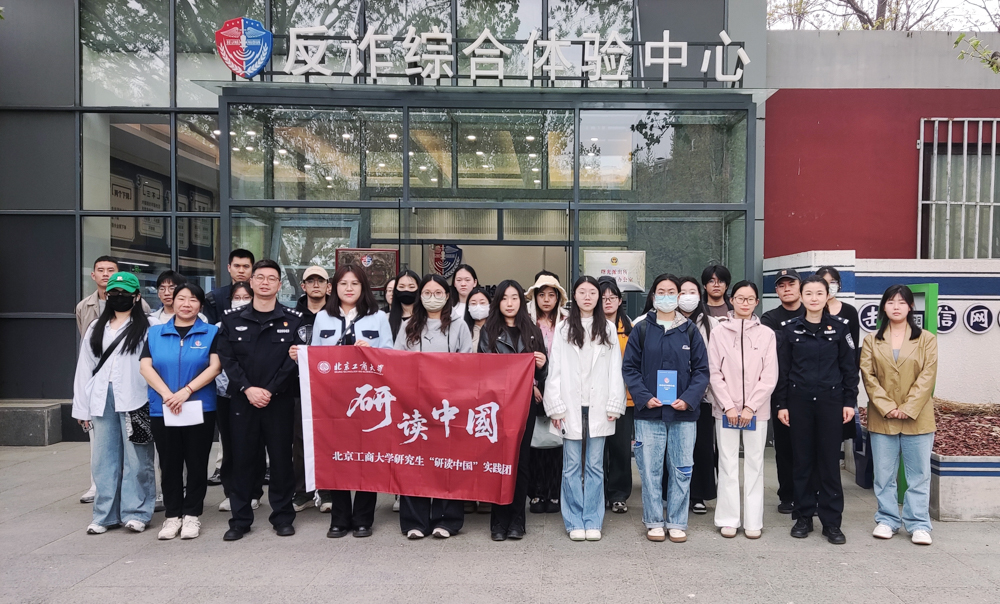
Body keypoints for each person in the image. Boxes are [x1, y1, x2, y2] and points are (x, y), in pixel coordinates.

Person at [217, 259, 306, 541]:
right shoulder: (232, 319)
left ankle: (282, 516)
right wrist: (248, 389)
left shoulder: (294, 319)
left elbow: (294, 360)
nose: (265, 283)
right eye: (260, 277)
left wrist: (269, 389)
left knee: (281, 460)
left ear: (279, 285)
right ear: (251, 282)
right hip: (243, 401)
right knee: (242, 460)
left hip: (279, 401)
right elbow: (227, 360)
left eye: (271, 278)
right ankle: (240, 519)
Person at [303, 264, 393, 539]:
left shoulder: (378, 317)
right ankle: (339, 518)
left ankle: (364, 518)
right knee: (337, 456)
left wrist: (372, 351)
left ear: (364, 287)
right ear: (334, 288)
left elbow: (391, 357)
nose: (349, 288)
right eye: (343, 283)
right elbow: (315, 358)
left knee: (368, 456)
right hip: (333, 399)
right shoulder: (323, 317)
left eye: (355, 283)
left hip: (368, 400)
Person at [623, 274, 710, 544]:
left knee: (682, 468)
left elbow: (702, 371)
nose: (666, 296)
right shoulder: (641, 329)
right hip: (649, 412)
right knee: (650, 471)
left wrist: (689, 399)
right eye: (661, 291)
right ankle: (653, 521)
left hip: (683, 413)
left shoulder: (690, 330)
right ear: (653, 295)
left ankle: (676, 521)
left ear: (679, 296)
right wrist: (644, 397)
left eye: (672, 292)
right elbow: (630, 368)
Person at [774, 276, 858, 545]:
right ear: (801, 296)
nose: (813, 298)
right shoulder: (790, 329)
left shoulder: (840, 328)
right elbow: (783, 371)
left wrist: (849, 401)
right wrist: (782, 404)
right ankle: (803, 516)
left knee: (829, 463)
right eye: (808, 293)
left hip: (830, 403)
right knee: (802, 461)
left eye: (819, 293)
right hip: (798, 403)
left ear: (827, 296)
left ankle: (831, 522)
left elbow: (849, 369)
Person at [544, 276, 626, 542]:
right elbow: (555, 369)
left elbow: (615, 369)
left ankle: (592, 519)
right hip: (571, 405)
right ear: (574, 296)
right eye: (582, 292)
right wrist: (555, 406)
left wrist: (614, 403)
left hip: (599, 405)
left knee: (594, 465)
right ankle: (573, 520)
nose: (588, 297)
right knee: (570, 466)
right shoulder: (563, 328)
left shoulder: (608, 329)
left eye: (592, 292)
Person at [72, 272, 155, 534]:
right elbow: (85, 368)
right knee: (103, 459)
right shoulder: (96, 327)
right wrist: (81, 407)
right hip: (101, 397)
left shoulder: (149, 326)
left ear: (137, 296)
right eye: (114, 293)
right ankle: (104, 515)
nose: (119, 297)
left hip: (136, 397)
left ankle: (137, 512)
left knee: (137, 458)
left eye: (125, 293)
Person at [140, 283, 222, 541]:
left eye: (193, 300)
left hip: (199, 406)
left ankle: (192, 514)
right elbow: (145, 367)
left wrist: (186, 391)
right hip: (163, 408)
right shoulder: (155, 333)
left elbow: (215, 367)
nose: (187, 304)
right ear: (172, 302)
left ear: (201, 305)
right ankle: (172, 515)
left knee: (197, 462)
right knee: (169, 462)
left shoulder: (211, 332)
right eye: (182, 299)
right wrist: (168, 395)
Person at [394, 274, 474, 538]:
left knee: (447, 461)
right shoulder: (408, 326)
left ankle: (446, 519)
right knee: (414, 461)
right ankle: (414, 521)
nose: (432, 298)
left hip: (448, 406)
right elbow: (397, 362)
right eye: (427, 293)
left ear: (447, 296)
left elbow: (467, 363)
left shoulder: (460, 326)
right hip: (414, 405)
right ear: (420, 296)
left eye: (438, 293)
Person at [860, 285, 938, 546]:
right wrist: (887, 407)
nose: (896, 307)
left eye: (902, 302)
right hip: (883, 417)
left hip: (918, 417)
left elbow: (928, 376)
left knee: (919, 475)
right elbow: (868, 376)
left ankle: (919, 524)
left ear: (910, 307)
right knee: (883, 474)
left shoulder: (926, 339)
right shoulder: (872, 340)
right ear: (883, 306)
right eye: (891, 302)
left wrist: (907, 407)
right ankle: (887, 519)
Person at [477, 280, 548, 541]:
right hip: (497, 405)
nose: (510, 303)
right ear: (498, 302)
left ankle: (517, 521)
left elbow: (543, 372)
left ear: (521, 301)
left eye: (515, 298)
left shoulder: (533, 330)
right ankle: (498, 522)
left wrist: (542, 365)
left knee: (522, 460)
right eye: (505, 298)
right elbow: (482, 370)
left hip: (524, 403)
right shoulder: (489, 331)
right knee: (499, 461)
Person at [708, 281, 777, 539]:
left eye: (750, 299)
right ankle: (728, 518)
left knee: (755, 464)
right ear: (732, 300)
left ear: (757, 302)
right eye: (740, 298)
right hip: (725, 411)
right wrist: (728, 405)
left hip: (756, 412)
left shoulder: (766, 334)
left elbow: (769, 376)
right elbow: (713, 372)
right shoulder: (719, 332)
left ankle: (753, 520)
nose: (745, 303)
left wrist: (750, 406)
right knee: (727, 463)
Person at [214, 282, 265, 514]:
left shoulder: (259, 323)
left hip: (255, 392)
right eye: (237, 297)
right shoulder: (221, 325)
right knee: (230, 445)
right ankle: (231, 492)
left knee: (254, 446)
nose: (241, 301)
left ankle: (254, 492)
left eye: (246, 297)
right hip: (226, 394)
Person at [760, 267, 805, 515]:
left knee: (809, 448)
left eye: (791, 284)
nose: (786, 289)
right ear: (776, 290)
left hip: (811, 390)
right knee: (785, 448)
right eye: (781, 285)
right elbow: (773, 348)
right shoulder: (769, 318)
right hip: (782, 391)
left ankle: (808, 495)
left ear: (800, 286)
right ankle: (787, 495)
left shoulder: (813, 313)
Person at [524, 271, 569, 514]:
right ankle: (536, 493)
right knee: (534, 441)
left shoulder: (567, 322)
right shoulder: (527, 322)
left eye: (551, 295)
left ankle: (553, 493)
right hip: (532, 388)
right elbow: (521, 356)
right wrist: (531, 384)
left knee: (557, 441)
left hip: (560, 388)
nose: (547, 300)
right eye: (542, 295)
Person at [678, 277, 719, 516]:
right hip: (673, 396)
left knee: (702, 446)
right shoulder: (668, 320)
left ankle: (698, 495)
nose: (687, 296)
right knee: (677, 448)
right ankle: (675, 494)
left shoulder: (712, 324)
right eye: (682, 292)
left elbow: (715, 361)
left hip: (703, 396)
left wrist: (701, 388)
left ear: (699, 295)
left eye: (692, 291)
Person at [292, 265, 331, 514]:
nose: (316, 285)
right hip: (298, 387)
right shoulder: (291, 316)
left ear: (329, 286)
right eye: (311, 281)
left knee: (329, 440)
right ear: (303, 286)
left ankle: (328, 491)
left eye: (321, 280)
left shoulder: (337, 315)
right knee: (299, 440)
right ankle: (303, 492)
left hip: (330, 389)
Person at [598, 277, 634, 515]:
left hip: (625, 398)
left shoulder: (630, 328)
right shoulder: (590, 326)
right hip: (596, 397)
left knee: (620, 448)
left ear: (620, 300)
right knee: (598, 448)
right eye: (603, 298)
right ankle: (599, 492)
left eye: (612, 297)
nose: (608, 302)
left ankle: (619, 494)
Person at [204, 249, 255, 324]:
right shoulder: (214, 298)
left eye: (246, 266)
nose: (241, 271)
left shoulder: (259, 295)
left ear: (253, 269)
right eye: (237, 266)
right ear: (229, 268)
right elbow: (208, 328)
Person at [388, 269, 421, 342]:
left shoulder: (426, 318)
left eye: (411, 287)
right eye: (401, 287)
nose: (406, 290)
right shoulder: (386, 319)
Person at [464, 287, 491, 353]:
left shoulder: (498, 330)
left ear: (490, 305)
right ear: (468, 307)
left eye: (482, 303)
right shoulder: (464, 330)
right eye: (473, 303)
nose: (478, 306)